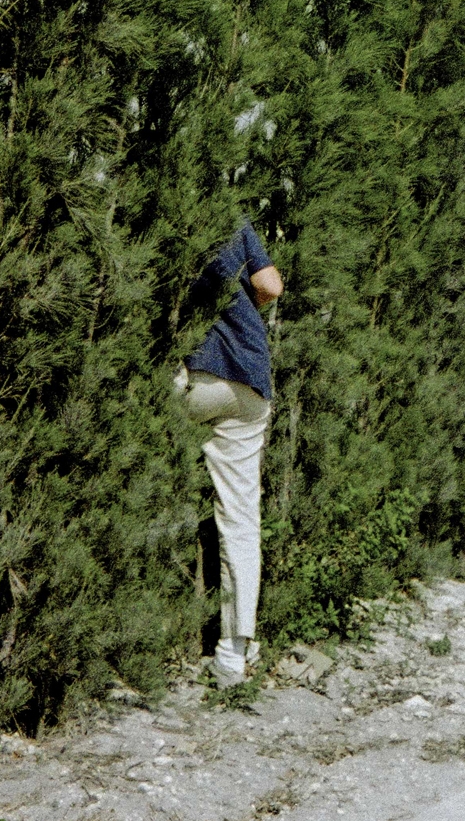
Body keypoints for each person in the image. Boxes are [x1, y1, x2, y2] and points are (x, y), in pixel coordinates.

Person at [174, 219, 283, 687]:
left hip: (196, 374)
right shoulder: (235, 222)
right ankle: (232, 658)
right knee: (241, 518)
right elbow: (270, 285)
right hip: (250, 382)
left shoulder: (168, 204)